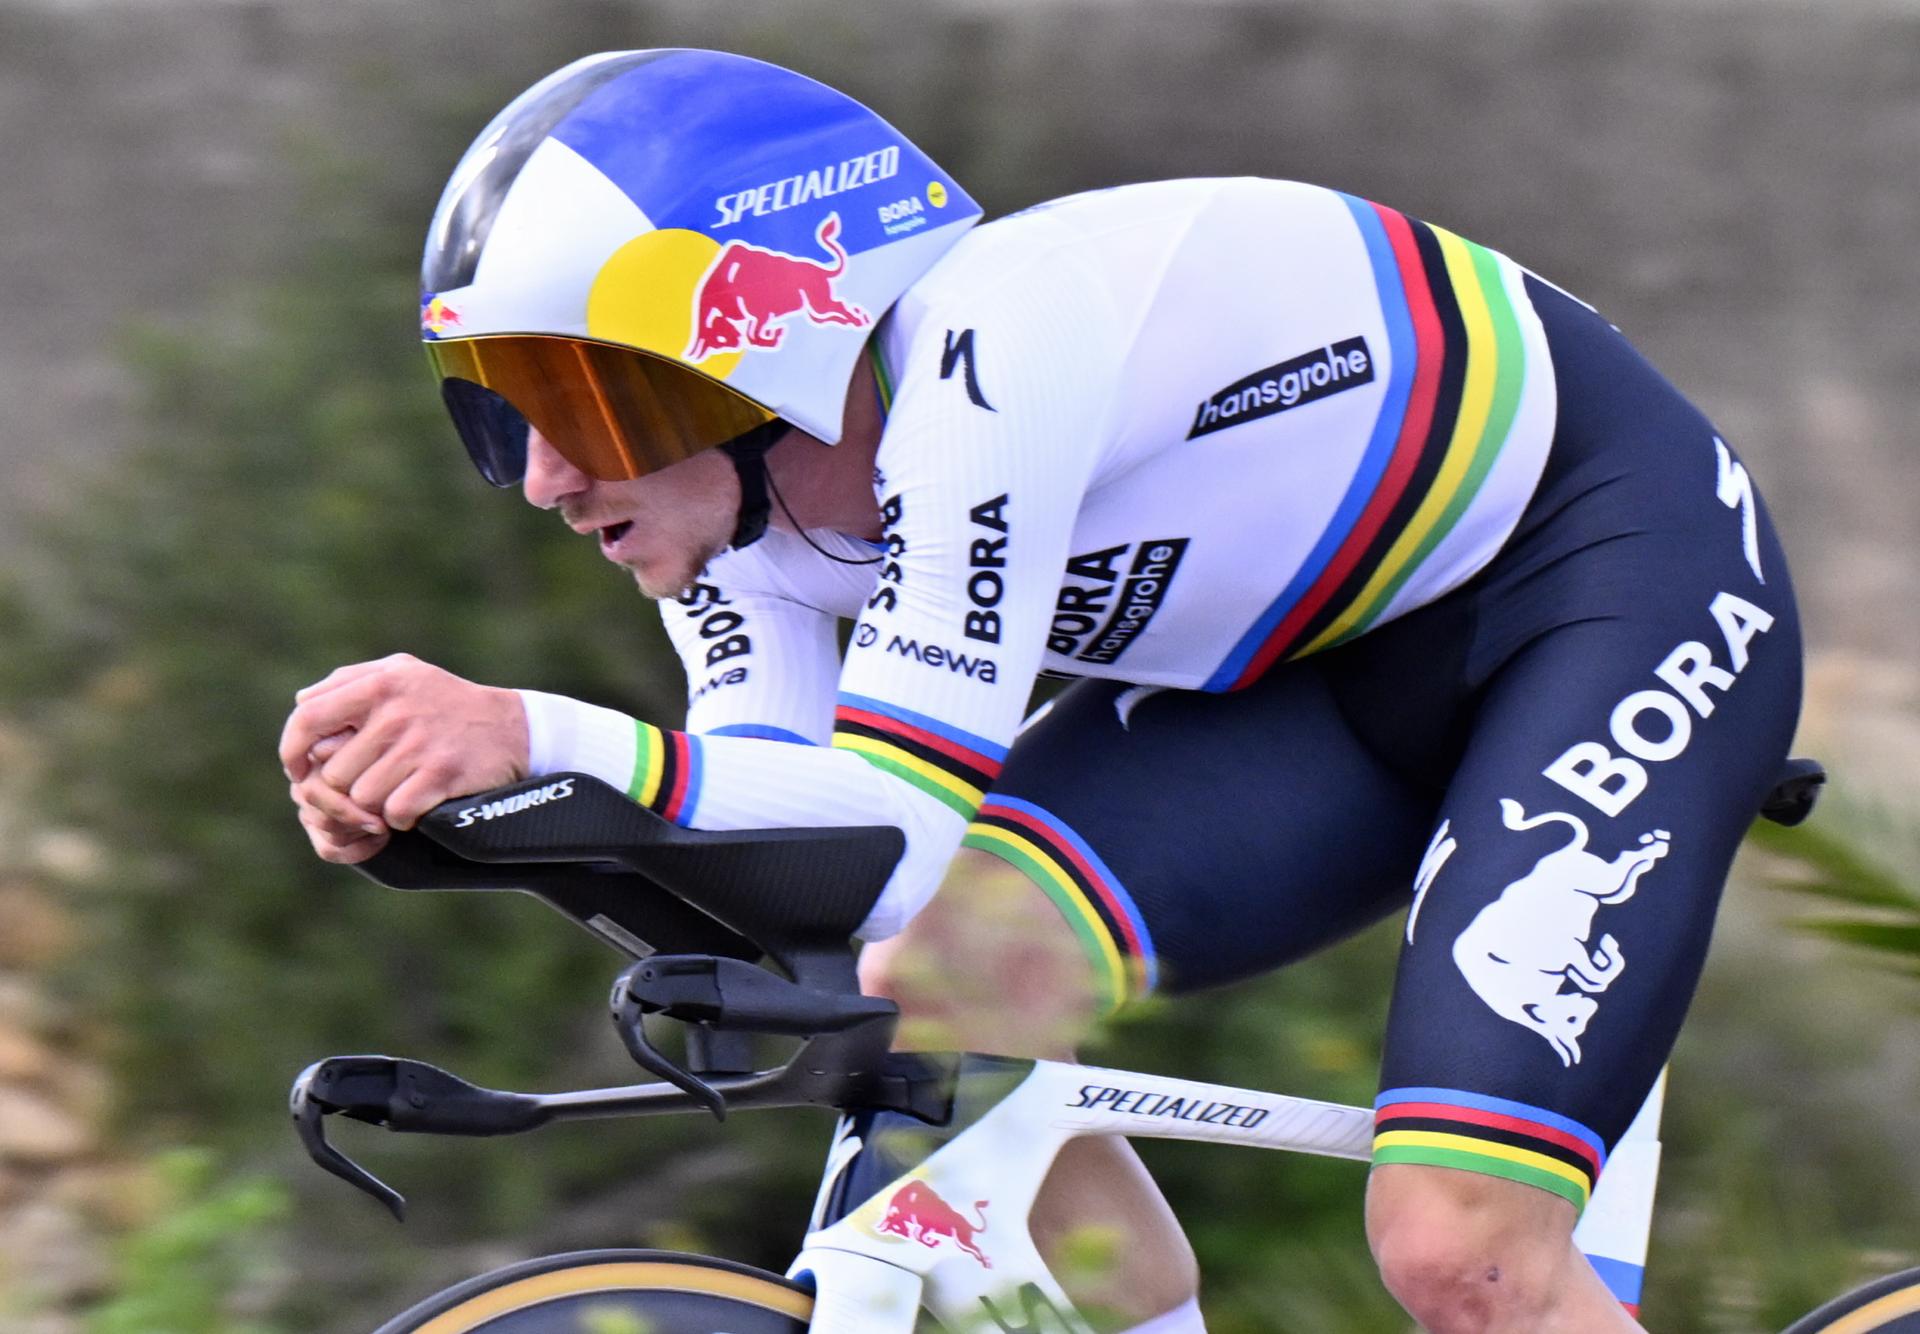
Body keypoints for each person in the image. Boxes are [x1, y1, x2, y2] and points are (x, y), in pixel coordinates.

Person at [280, 49, 1803, 1334]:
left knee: (1461, 1250)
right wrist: (484, 817)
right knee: (940, 985)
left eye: (585, 401)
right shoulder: (742, 531)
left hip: (1600, 591)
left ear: (762, 355)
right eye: (502, 415)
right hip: (1310, 687)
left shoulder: (998, 341)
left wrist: (536, 731)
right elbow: (806, 865)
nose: (545, 478)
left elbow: (890, 814)